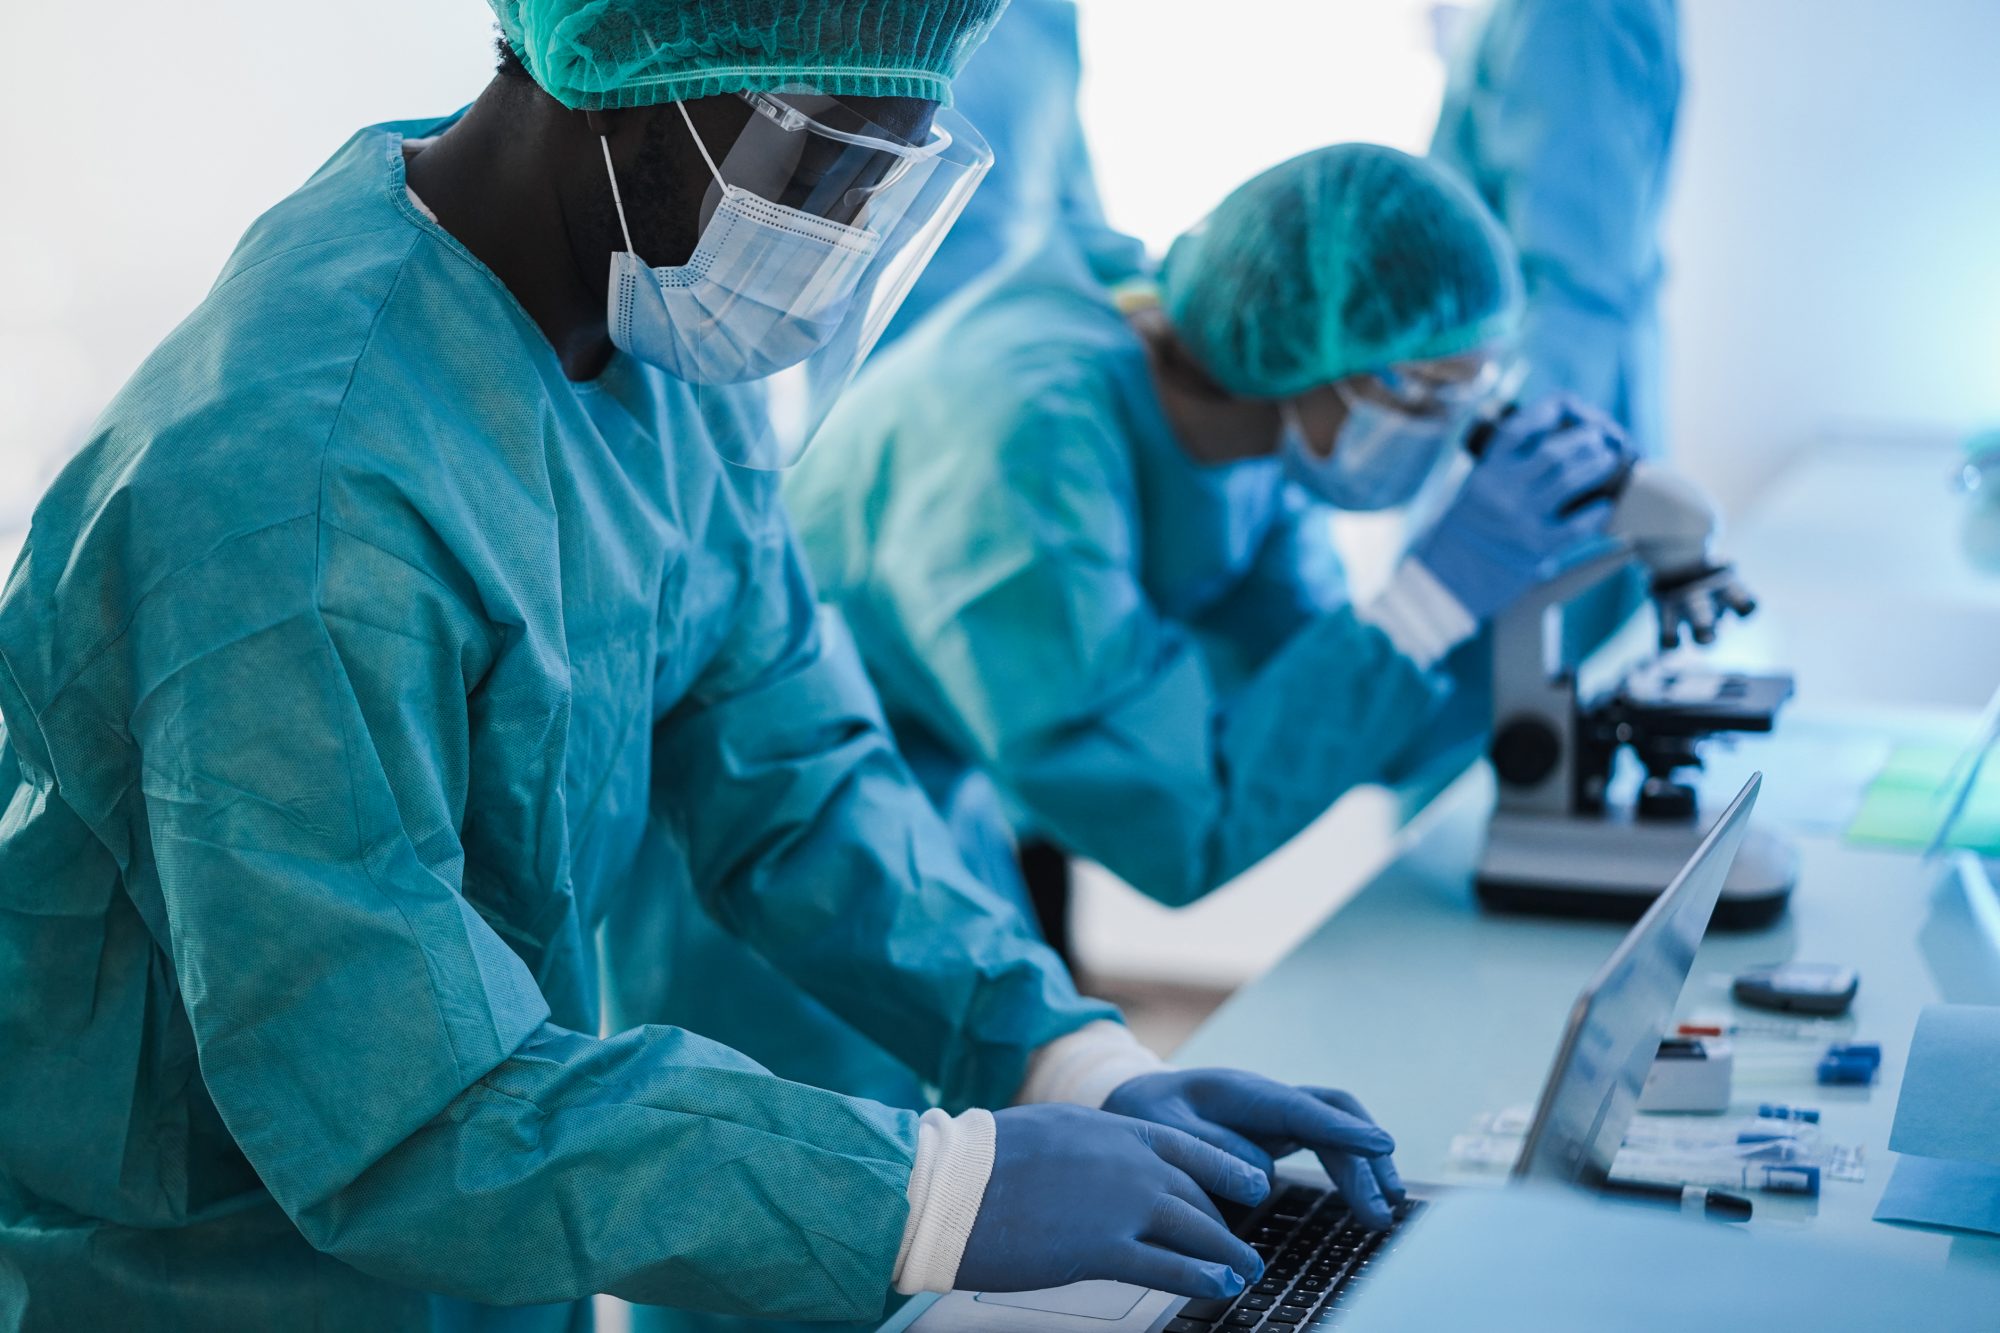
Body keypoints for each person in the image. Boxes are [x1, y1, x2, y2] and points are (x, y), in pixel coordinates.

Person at [0, 4, 1408, 1330]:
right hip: (214, 1275)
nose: (844, 234)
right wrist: (927, 1193)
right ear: (638, 76)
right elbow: (400, 1103)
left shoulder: (640, 332)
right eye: (831, 165)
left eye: (890, 177)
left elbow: (789, 774)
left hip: (481, 1245)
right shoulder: (294, 496)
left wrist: (1067, 1058)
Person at [786, 143, 1631, 916]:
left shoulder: (1256, 433)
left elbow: (1330, 720)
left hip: (912, 807)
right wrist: (1431, 594)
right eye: (1433, 395)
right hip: (780, 832)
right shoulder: (1023, 450)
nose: (1454, 429)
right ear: (1318, 351)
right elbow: (1168, 824)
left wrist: (1515, 588)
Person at [1429, 0, 1683, 457]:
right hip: (1517, 379)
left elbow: (1580, 274)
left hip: (1556, 393)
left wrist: (1524, 454)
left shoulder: (1575, 14)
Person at [876, 0, 1145, 345]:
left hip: (1002, 326)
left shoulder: (1049, 16)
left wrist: (1138, 290)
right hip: (873, 315)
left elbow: (1073, 203)